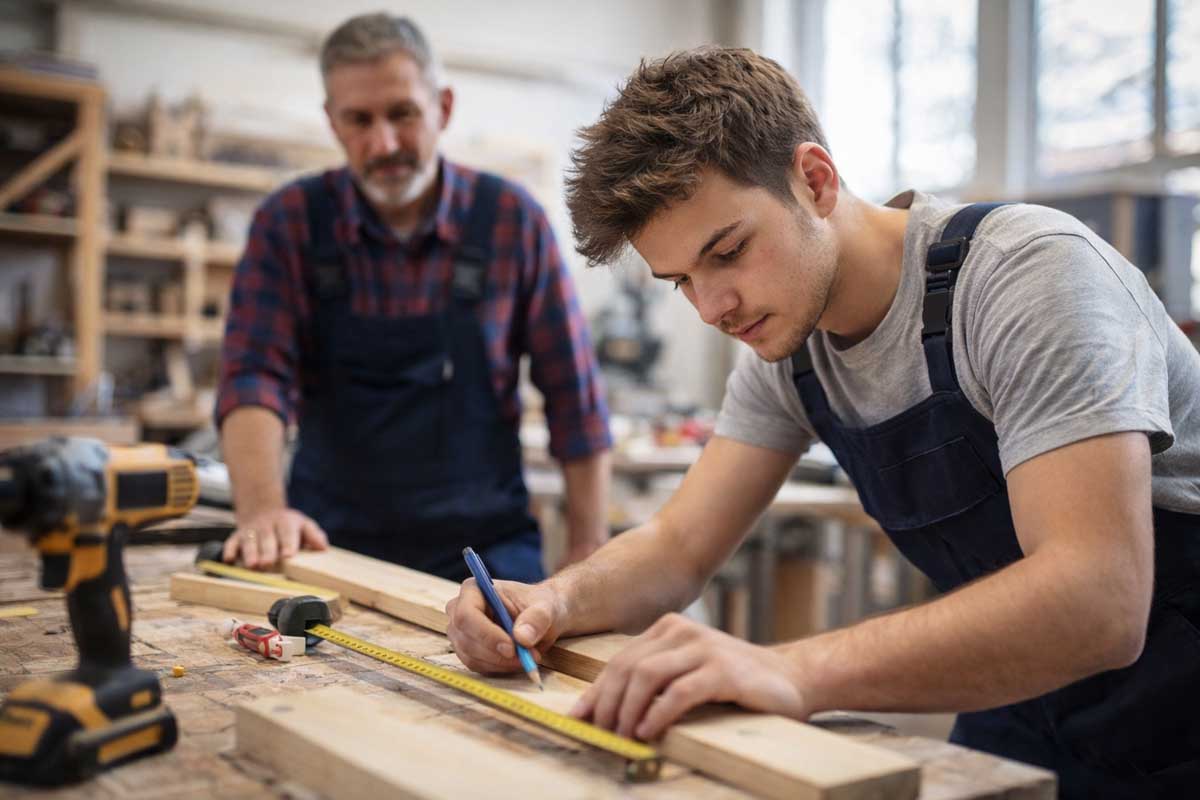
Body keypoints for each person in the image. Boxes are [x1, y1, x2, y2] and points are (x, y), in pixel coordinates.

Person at [445, 47, 1200, 797]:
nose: (712, 309)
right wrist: (554, 602)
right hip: (1030, 697)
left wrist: (790, 669)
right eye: (682, 282)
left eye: (728, 252)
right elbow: (678, 546)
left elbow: (1098, 599)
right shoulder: (789, 350)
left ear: (814, 180)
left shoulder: (1026, 278)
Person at [215, 13, 612, 583]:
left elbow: (575, 397)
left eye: (402, 113)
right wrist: (261, 512)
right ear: (332, 122)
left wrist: (588, 546)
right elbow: (254, 377)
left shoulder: (512, 220)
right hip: (330, 544)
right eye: (359, 120)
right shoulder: (289, 222)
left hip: (485, 552)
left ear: (443, 108)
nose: (384, 144)